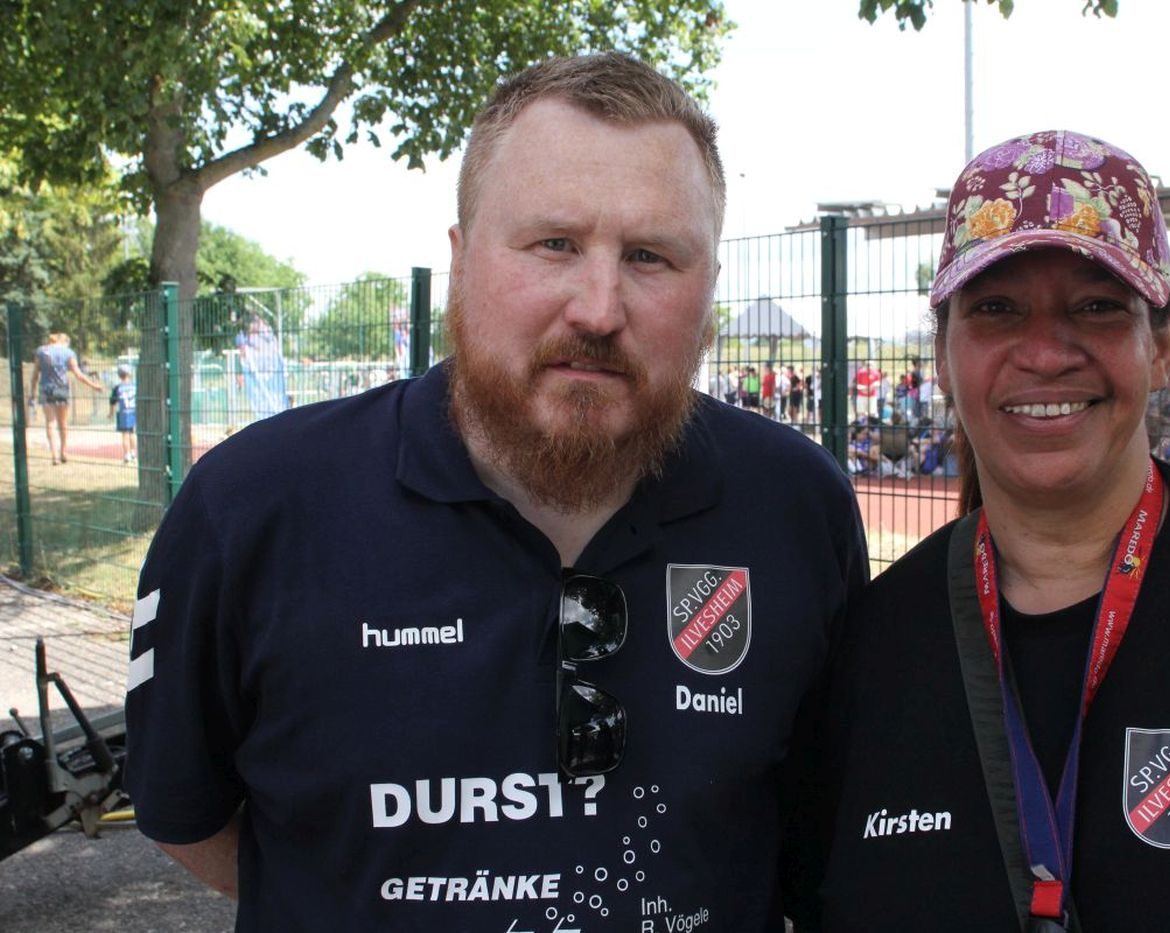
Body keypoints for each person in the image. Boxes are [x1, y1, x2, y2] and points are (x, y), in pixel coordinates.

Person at [123, 53, 867, 932]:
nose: (599, 308)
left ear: (709, 289)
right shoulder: (253, 509)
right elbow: (190, 820)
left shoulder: (796, 507)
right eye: (554, 244)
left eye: (650, 256)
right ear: (460, 261)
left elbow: (815, 838)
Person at [813, 131, 1170, 931]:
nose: (1045, 353)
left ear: (1162, 345)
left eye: (1096, 306)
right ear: (944, 358)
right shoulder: (872, 647)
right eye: (995, 308)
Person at [28, 332, 104, 465]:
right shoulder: (68, 352)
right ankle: (63, 451)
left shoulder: (41, 351)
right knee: (63, 423)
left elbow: (35, 374)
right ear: (65, 342)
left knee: (50, 422)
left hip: (46, 388)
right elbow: (79, 374)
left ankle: (54, 455)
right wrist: (94, 386)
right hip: (61, 388)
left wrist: (33, 392)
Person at [234, 314, 289, 421]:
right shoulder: (246, 339)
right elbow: (243, 353)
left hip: (272, 379)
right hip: (258, 379)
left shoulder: (268, 337)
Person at [109, 363, 137, 464]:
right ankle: (133, 453)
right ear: (129, 373)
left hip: (123, 413)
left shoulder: (118, 388)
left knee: (125, 434)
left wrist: (111, 413)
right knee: (132, 433)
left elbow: (112, 402)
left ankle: (127, 455)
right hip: (133, 412)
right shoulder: (134, 386)